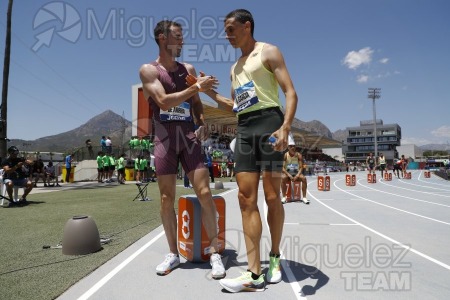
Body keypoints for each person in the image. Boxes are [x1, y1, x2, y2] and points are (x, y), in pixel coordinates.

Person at [194, 9, 298, 292]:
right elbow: (237, 105)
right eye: (225, 30)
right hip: (245, 129)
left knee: (273, 196)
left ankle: (274, 256)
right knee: (244, 198)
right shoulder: (235, 67)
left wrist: (285, 128)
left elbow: (290, 92)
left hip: (270, 124)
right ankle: (254, 274)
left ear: (247, 26)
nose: (226, 35)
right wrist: (209, 93)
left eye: (230, 29)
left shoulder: (269, 52)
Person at [139, 20, 225, 278]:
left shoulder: (188, 69)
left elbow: (196, 102)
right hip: (164, 140)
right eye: (178, 36)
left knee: (205, 192)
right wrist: (195, 86)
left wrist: (201, 122)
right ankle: (173, 254)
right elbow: (164, 102)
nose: (183, 41)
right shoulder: (148, 70)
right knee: (166, 199)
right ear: (163, 38)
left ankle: (216, 252)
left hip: (189, 138)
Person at [281, 135, 309, 204]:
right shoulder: (285, 155)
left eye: (293, 146)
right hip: (288, 172)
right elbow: (282, 168)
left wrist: (297, 175)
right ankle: (284, 197)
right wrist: (289, 175)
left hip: (296, 172)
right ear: (288, 147)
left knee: (304, 178)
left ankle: (304, 197)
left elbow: (301, 167)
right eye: (291, 146)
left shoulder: (299, 155)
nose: (292, 147)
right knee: (282, 178)